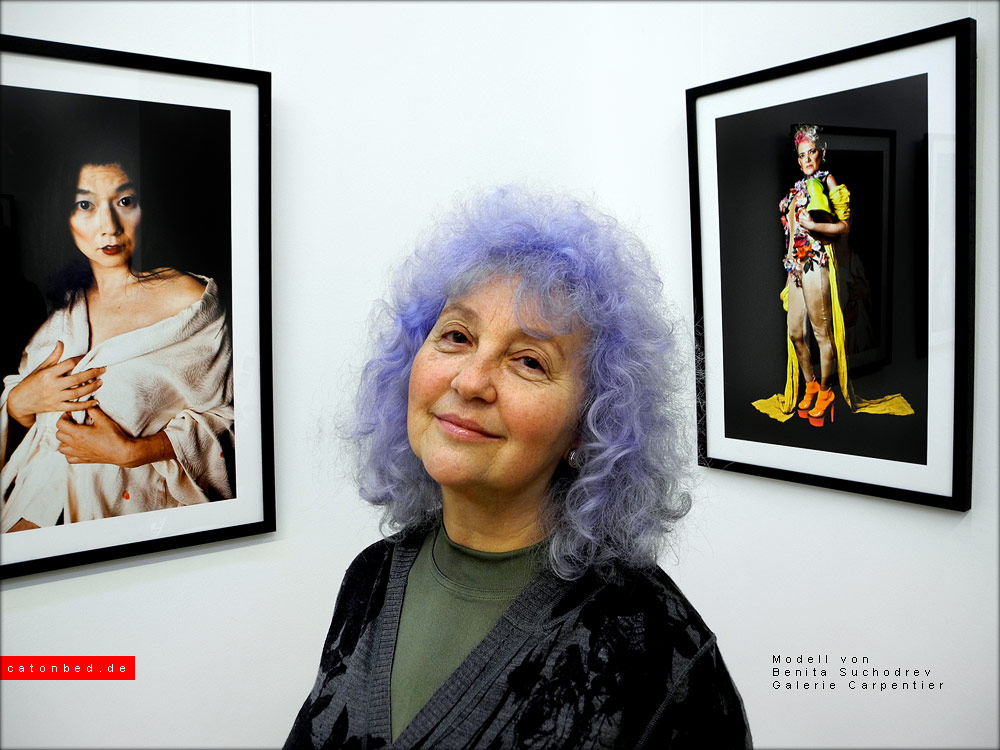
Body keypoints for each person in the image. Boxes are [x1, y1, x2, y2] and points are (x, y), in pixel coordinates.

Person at [285, 188, 752, 748]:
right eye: (456, 336)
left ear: (591, 422)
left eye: (529, 361)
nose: (470, 381)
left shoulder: (659, 654)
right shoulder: (371, 577)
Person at [1, 150, 234, 532]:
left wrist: (133, 451)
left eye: (124, 201)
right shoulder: (60, 318)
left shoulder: (189, 302)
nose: (108, 226)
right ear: (66, 218)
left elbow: (230, 418)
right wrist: (20, 401)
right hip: (25, 518)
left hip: (125, 530)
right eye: (86, 205)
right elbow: (32, 431)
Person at [752, 124, 912, 424]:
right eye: (802, 155)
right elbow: (791, 237)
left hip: (817, 263)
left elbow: (844, 227)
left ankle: (826, 392)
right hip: (795, 268)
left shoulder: (828, 181)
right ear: (798, 159)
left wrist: (814, 226)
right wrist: (788, 274)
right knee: (795, 333)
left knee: (821, 335)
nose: (807, 159)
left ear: (821, 153)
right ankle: (811, 384)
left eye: (812, 152)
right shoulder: (796, 189)